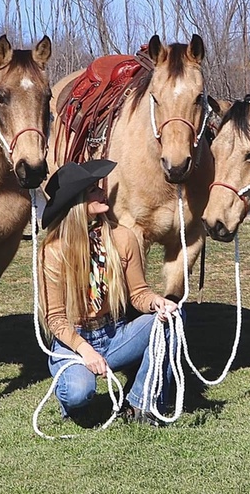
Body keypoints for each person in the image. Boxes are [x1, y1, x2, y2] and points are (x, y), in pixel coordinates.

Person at [38, 159, 178, 425]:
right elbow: (54, 318)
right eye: (94, 190)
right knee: (78, 394)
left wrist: (157, 302)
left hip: (114, 333)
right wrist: (85, 351)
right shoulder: (53, 251)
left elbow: (138, 293)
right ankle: (73, 398)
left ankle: (141, 403)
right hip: (73, 339)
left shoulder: (123, 238)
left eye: (99, 187)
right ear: (77, 203)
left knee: (172, 319)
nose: (104, 192)